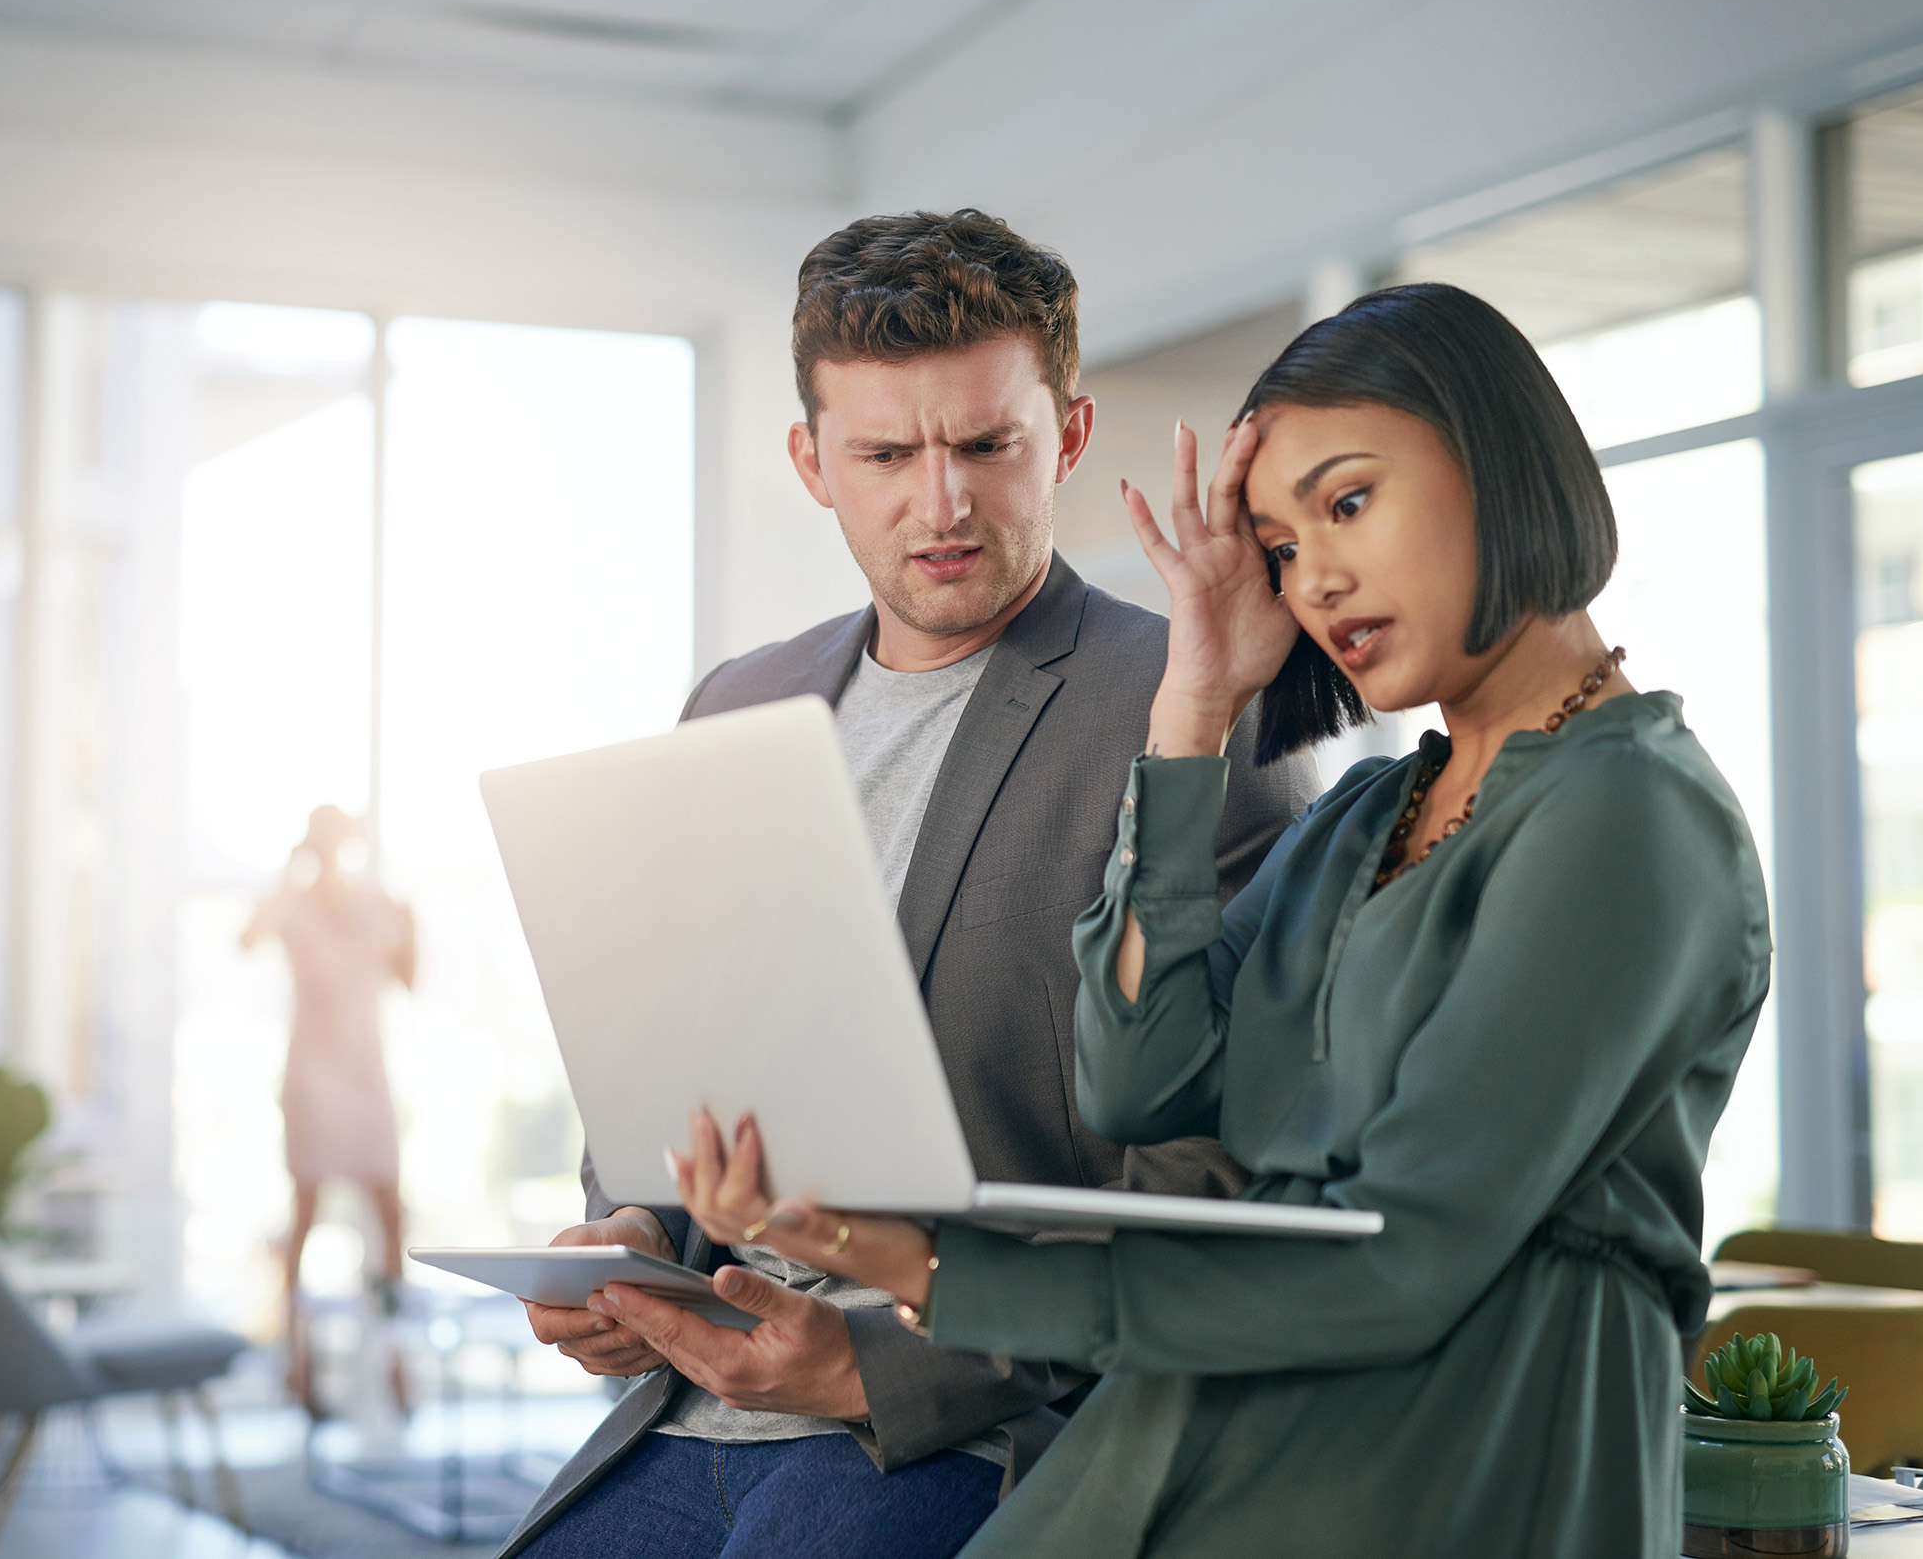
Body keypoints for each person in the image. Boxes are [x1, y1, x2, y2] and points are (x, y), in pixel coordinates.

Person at [669, 281, 1771, 1557]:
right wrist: (1193, 710)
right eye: (1283, 547)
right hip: (1205, 1432)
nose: (1320, 578)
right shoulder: (1367, 814)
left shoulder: (1626, 815)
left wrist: (924, 1266)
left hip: (1445, 1464)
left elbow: (1401, 1261)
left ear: (1503, 467)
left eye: (1349, 502)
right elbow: (1139, 1082)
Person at [500, 211, 1318, 1559]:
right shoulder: (738, 700)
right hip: (682, 1404)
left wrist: (872, 1369)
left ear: (1062, 434)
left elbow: (1215, 1192)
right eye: (883, 453)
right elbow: (671, 1058)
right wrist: (632, 1231)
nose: (939, 504)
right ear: (810, 462)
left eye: (984, 446)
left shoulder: (1190, 701)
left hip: (952, 1436)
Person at [239, 803, 417, 1417]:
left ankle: (396, 1354)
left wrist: (410, 921)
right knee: (305, 1217)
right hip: (314, 1075)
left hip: (365, 1074)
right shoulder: (293, 902)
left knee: (391, 1217)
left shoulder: (377, 902)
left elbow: (409, 978)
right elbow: (246, 939)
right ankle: (294, 1357)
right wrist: (289, 878)